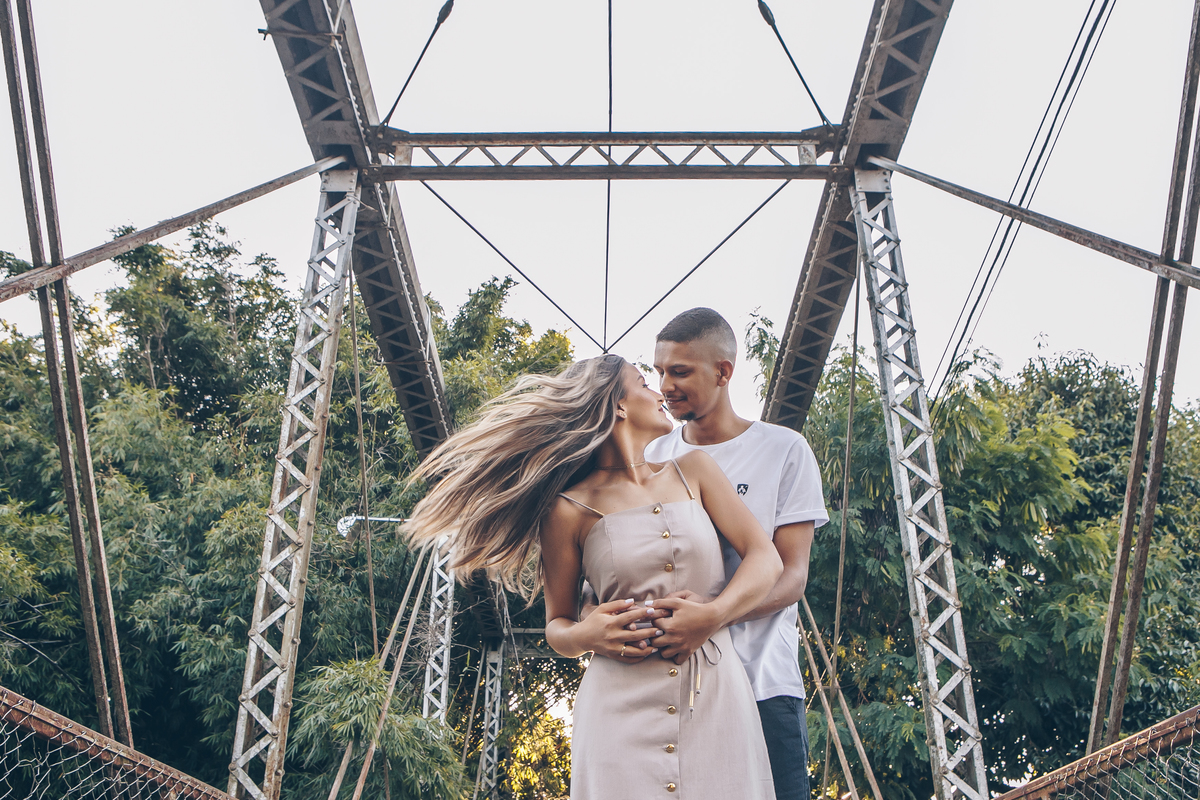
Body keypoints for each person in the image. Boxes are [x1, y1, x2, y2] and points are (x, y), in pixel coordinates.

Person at [403, 353, 783, 800]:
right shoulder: (566, 509)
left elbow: (767, 560)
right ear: (618, 405)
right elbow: (557, 626)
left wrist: (713, 616)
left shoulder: (695, 471)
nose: (659, 391)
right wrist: (590, 633)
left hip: (716, 697)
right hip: (617, 708)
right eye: (644, 383)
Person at [646, 308, 829, 800]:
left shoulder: (784, 450)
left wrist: (710, 616)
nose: (666, 384)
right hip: (669, 689)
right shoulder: (649, 459)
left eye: (681, 371)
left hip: (761, 683)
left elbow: (791, 576)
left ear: (724, 372)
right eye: (660, 371)